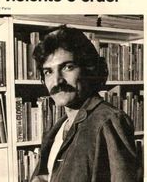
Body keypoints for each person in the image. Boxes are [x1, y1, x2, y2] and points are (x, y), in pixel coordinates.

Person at [30, 26, 137, 182]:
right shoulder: (59, 126)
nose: (57, 80)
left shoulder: (108, 121)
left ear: (89, 69)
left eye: (67, 67)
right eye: (48, 72)